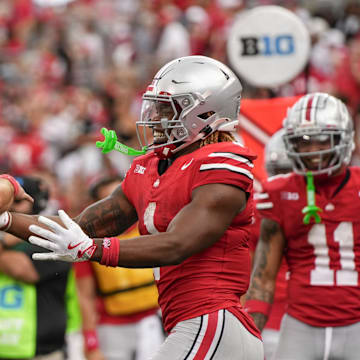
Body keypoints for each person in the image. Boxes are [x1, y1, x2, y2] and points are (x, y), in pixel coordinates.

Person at [3, 56, 263, 359]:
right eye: (156, 107)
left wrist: (92, 249)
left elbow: (178, 244)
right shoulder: (150, 167)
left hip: (213, 320)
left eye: (169, 109)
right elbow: (77, 228)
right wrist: (6, 219)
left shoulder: (222, 163)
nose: (155, 118)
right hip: (188, 322)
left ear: (205, 112)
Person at [246, 92, 360, 360]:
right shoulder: (279, 192)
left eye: (321, 139)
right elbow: (262, 279)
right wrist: (249, 338)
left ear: (342, 138)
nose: (313, 151)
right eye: (303, 142)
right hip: (301, 324)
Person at [75, 175, 163, 360]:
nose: (120, 209)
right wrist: (91, 341)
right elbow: (85, 296)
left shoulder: (151, 226)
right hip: (112, 326)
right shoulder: (85, 241)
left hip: (156, 320)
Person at [0, 176, 80, 360]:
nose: (8, 206)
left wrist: (5, 239)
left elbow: (21, 270)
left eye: (17, 202)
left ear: (36, 202)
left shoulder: (52, 237)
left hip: (41, 350)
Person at [247, 129, 292, 360]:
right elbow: (251, 274)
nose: (283, 182)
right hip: (271, 313)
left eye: (288, 173)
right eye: (278, 173)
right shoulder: (260, 208)